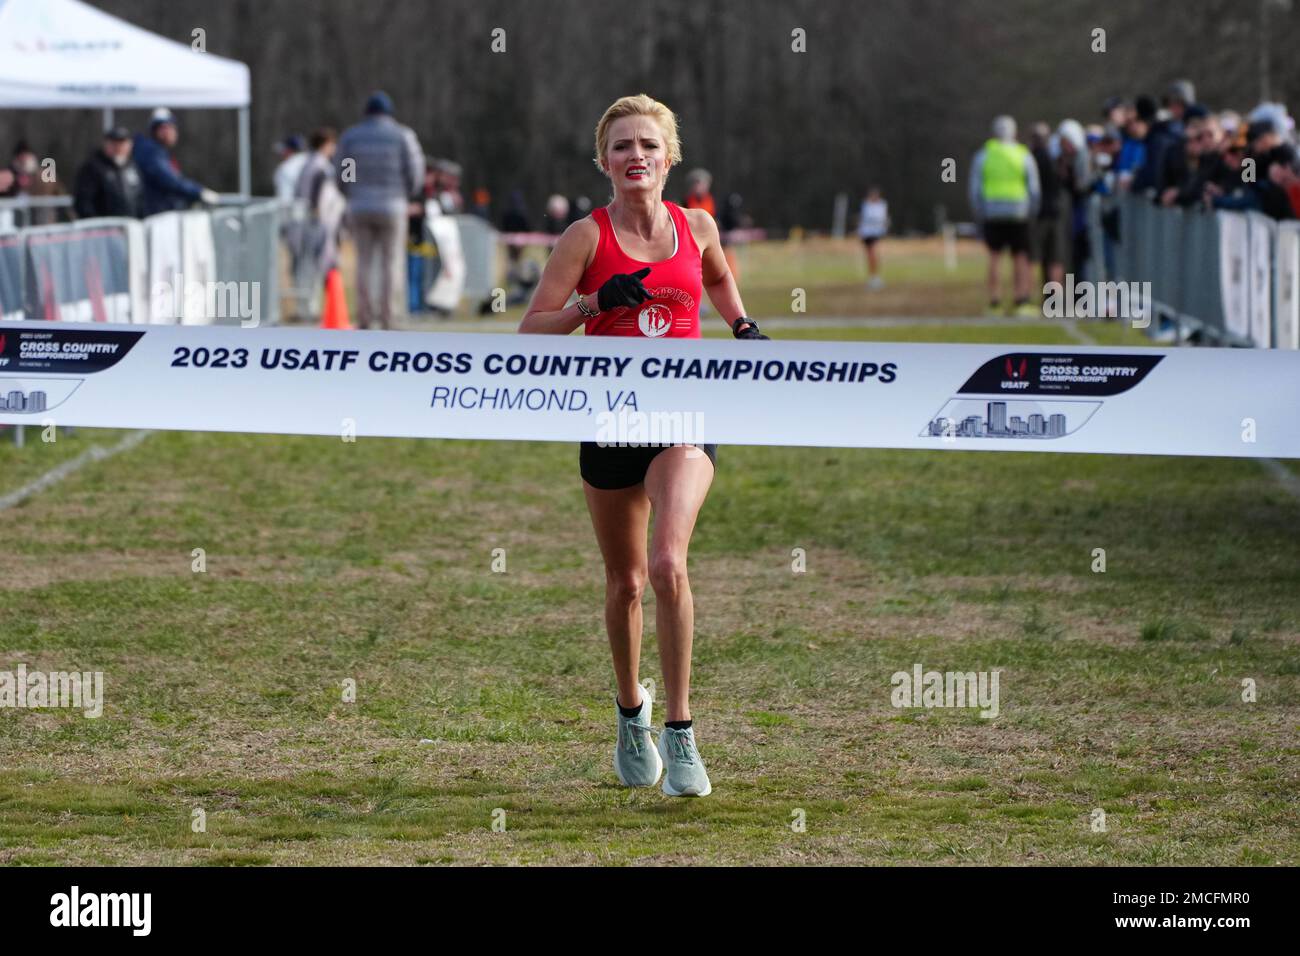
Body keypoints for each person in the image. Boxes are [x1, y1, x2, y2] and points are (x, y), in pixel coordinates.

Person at [518, 93, 768, 798]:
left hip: (684, 417)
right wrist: (594, 305)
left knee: (667, 564)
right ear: (605, 161)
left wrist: (743, 326)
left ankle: (682, 733)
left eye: (648, 146)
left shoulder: (698, 225)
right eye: (623, 146)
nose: (636, 157)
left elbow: (716, 274)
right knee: (625, 581)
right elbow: (530, 332)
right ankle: (632, 713)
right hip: (609, 422)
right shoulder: (584, 239)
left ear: (670, 158)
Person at [335, 91, 425, 330]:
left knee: (363, 262)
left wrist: (351, 193)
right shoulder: (402, 135)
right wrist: (406, 194)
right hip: (392, 204)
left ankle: (365, 316)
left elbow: (342, 171)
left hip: (360, 204)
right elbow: (415, 171)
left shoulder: (351, 137)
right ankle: (389, 316)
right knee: (391, 262)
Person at [969, 115, 1040, 316]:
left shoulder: (984, 155)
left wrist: (980, 213)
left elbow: (975, 189)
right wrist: (1032, 211)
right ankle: (1022, 301)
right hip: (1019, 212)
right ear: (1015, 132)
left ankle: (994, 302)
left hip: (992, 212)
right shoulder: (1023, 154)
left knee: (994, 257)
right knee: (1020, 256)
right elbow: (1034, 187)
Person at [133, 108, 220, 216]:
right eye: (164, 128)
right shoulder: (150, 152)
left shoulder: (159, 152)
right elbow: (169, 180)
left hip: (162, 214)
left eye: (171, 128)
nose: (170, 132)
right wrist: (198, 192)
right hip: (156, 217)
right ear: (155, 131)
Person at [294, 127, 345, 303]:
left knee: (309, 263)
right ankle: (311, 305)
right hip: (318, 221)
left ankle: (310, 305)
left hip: (310, 220)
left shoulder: (308, 164)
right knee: (317, 264)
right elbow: (317, 197)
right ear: (325, 145)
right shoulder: (320, 166)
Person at [73, 127, 142, 219]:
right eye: (114, 144)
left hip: (131, 227)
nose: (118, 148)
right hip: (104, 229)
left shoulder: (133, 168)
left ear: (130, 145)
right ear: (106, 144)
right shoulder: (92, 168)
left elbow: (141, 199)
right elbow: (83, 202)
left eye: (122, 144)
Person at [857, 185, 888, 289]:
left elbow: (881, 219)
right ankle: (873, 277)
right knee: (870, 256)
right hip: (867, 233)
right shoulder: (866, 205)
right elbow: (864, 219)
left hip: (875, 233)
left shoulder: (881, 205)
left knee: (873, 254)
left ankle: (874, 277)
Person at [273, 135, 308, 203]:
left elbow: (284, 200)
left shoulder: (285, 168)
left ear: (289, 150)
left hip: (295, 211)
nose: (282, 153)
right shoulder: (314, 163)